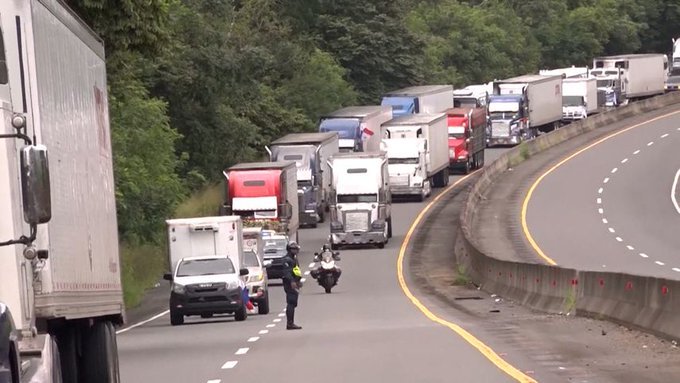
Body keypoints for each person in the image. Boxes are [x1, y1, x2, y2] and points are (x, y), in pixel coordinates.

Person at [281, 241, 302, 330]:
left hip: (293, 283)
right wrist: (292, 282)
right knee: (291, 302)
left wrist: (298, 281)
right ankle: (290, 323)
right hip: (289, 284)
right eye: (294, 249)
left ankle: (290, 323)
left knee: (293, 303)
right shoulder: (287, 260)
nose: (296, 251)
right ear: (289, 250)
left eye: (296, 249)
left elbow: (296, 271)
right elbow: (287, 273)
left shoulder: (294, 259)